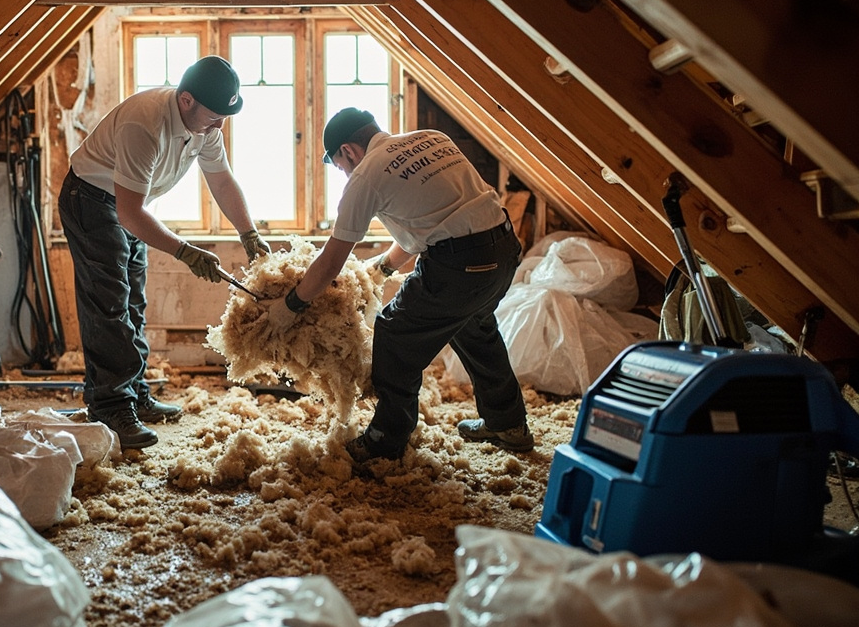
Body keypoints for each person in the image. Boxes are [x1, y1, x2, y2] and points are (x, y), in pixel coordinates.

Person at [267, 107, 531, 463]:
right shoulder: (432, 139)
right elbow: (428, 224)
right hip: (502, 251)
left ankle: (385, 439)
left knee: (394, 333)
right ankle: (509, 424)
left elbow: (331, 260)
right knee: (475, 329)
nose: (345, 173)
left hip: (458, 264)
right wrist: (382, 268)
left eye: (341, 166)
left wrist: (292, 305)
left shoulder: (367, 175)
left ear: (348, 151)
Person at [59, 55, 271, 451]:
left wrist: (249, 233)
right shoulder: (147, 122)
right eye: (215, 115)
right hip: (91, 197)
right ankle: (110, 405)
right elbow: (129, 212)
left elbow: (222, 180)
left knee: (133, 302)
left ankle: (134, 392)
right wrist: (185, 251)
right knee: (109, 303)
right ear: (186, 100)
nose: (220, 124)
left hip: (130, 204)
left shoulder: (205, 126)